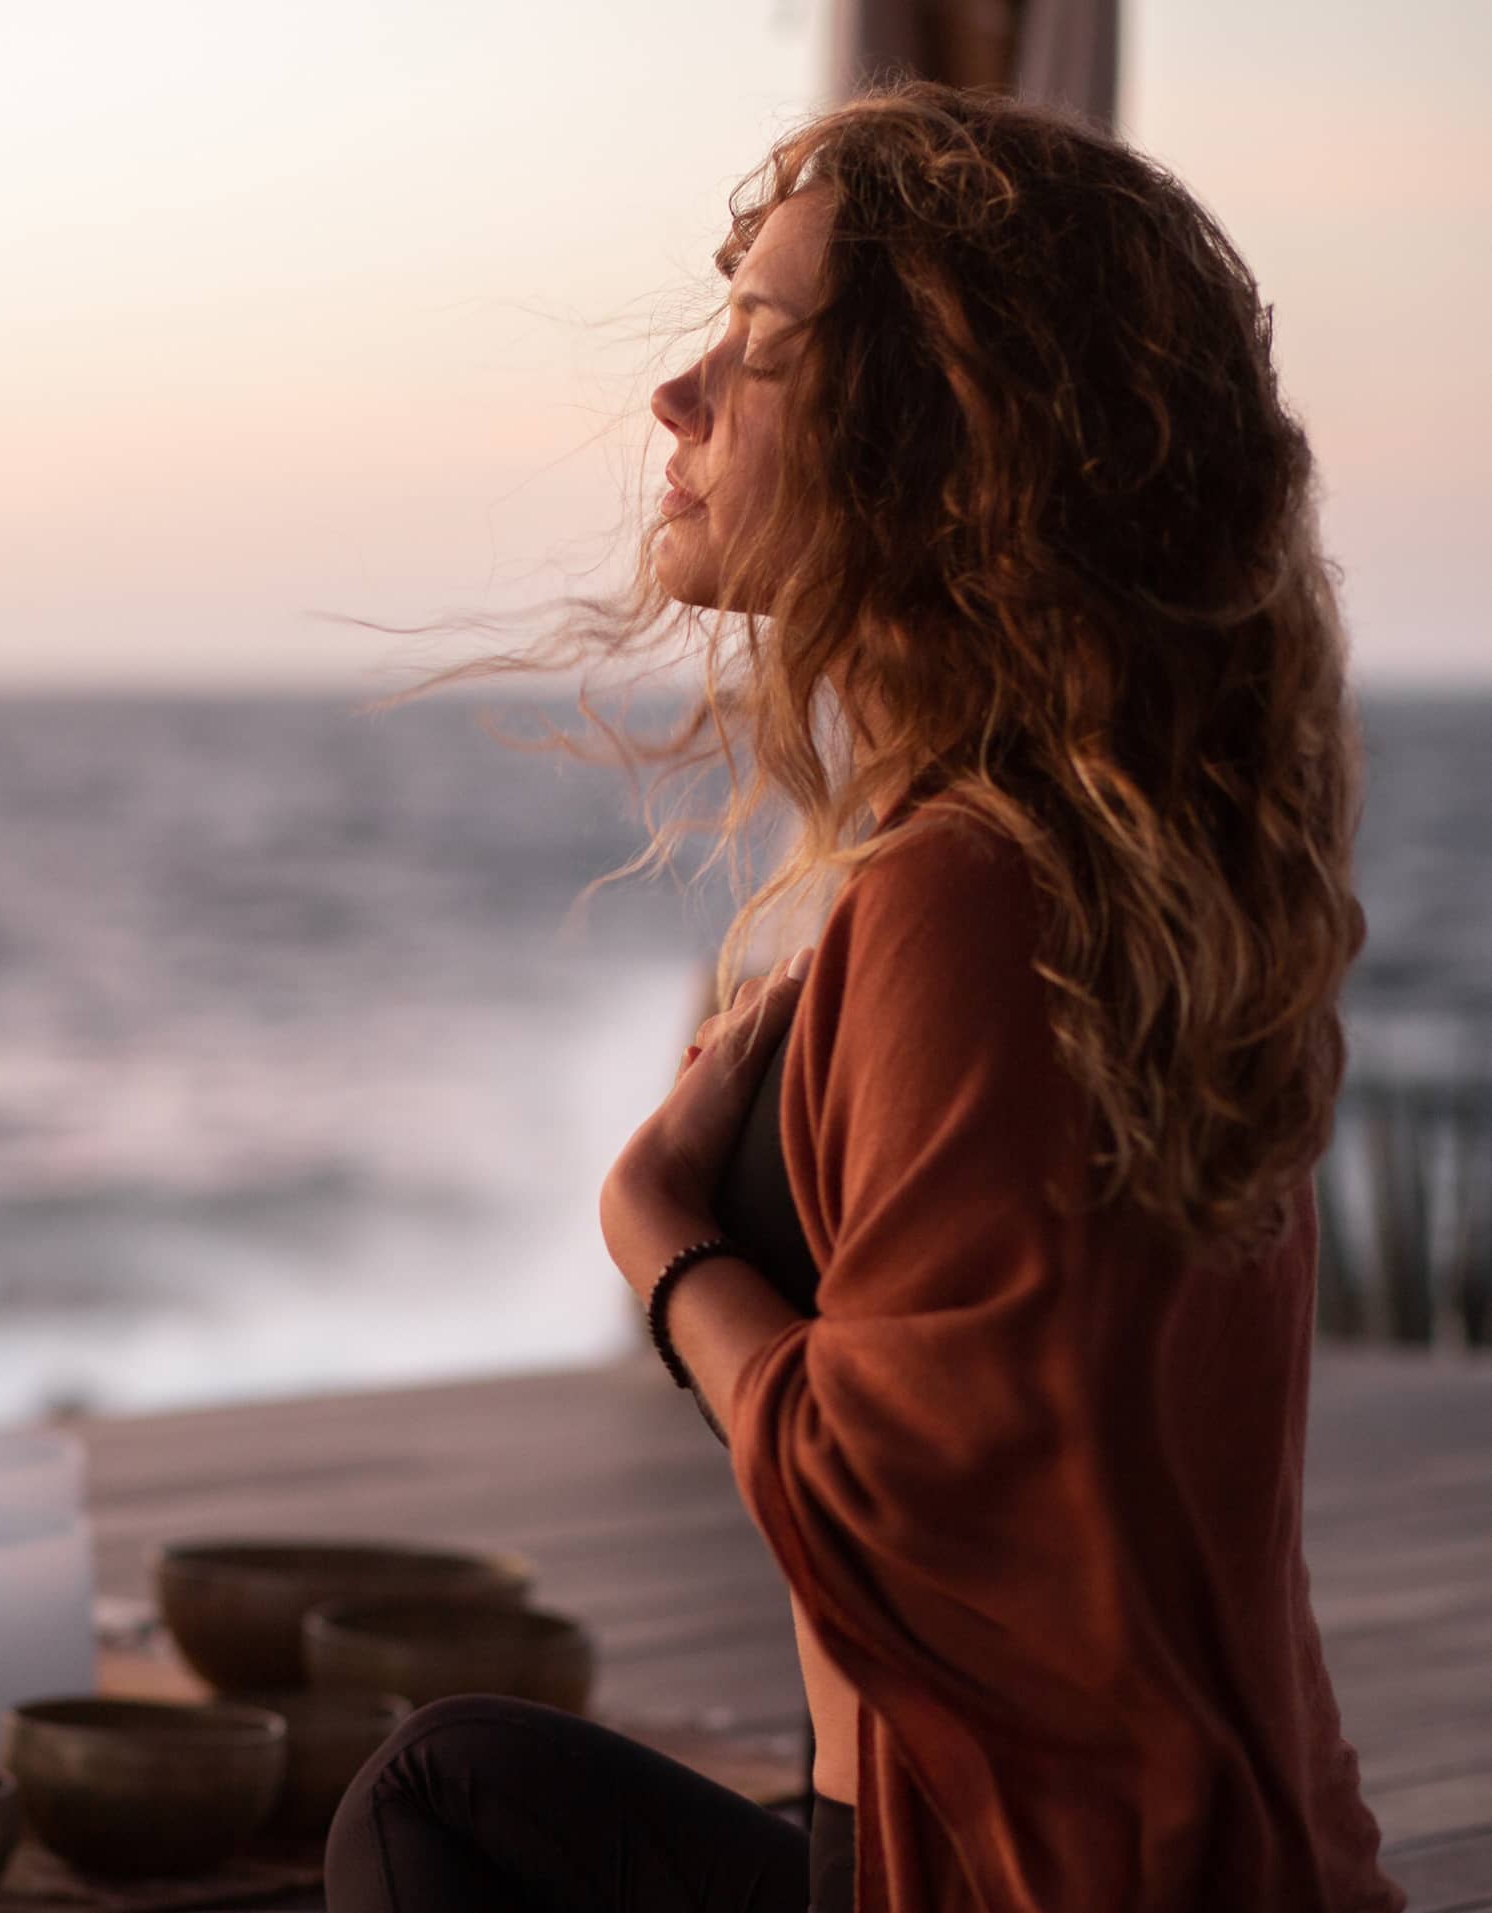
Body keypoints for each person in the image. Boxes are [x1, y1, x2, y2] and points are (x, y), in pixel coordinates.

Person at [325, 81, 1407, 1913]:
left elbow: (902, 1505)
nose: (676, 396)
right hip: (1187, 1853)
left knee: (426, 1802)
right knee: (453, 1792)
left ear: (946, 444)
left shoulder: (975, 894)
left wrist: (661, 1239)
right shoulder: (1133, 883)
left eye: (756, 343)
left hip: (993, 1875)